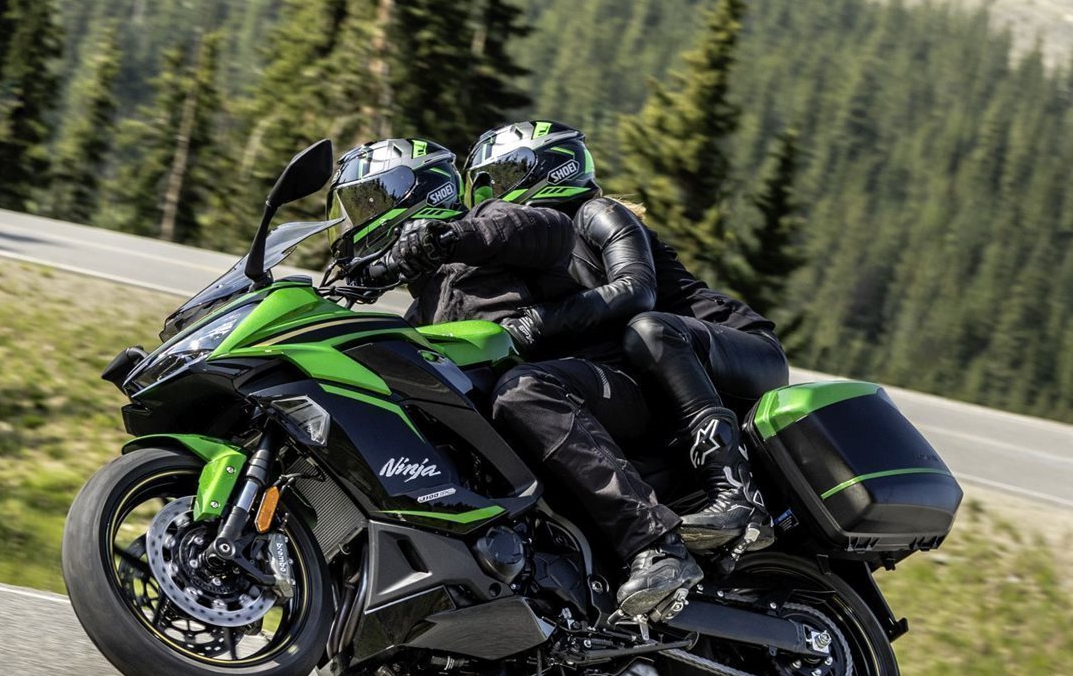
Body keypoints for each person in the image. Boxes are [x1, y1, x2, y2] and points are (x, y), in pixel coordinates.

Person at [329, 138, 700, 620]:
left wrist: (448, 236)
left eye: (366, 203)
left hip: (609, 385)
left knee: (521, 390)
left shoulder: (492, 224)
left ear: (414, 194)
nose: (355, 220)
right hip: (555, 414)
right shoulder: (423, 310)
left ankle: (657, 545)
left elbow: (545, 229)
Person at [464, 121, 790, 552]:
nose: (492, 196)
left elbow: (636, 290)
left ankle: (738, 494)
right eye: (484, 184)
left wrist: (538, 322)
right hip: (674, 369)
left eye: (504, 176)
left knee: (649, 329)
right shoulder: (538, 253)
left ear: (551, 169)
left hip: (741, 347)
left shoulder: (596, 212)